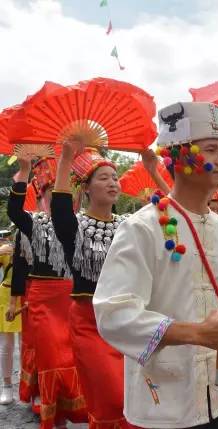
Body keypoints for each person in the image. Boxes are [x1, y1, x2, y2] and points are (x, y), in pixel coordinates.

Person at [93, 101, 218, 429]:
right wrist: (195, 332)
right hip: (162, 404)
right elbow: (114, 314)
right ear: (178, 156)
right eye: (211, 150)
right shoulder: (142, 228)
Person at [8, 155, 88, 427]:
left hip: (70, 298)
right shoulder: (33, 223)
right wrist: (24, 171)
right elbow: (14, 213)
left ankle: (67, 409)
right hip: (41, 298)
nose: (56, 199)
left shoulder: (80, 226)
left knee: (71, 355)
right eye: (50, 193)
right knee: (52, 355)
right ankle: (51, 411)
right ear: (41, 197)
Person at [51, 144, 127, 428]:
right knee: (111, 396)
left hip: (126, 319)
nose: (112, 182)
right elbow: (59, 210)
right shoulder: (76, 227)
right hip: (88, 322)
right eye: (103, 177)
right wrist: (67, 158)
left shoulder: (129, 226)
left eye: (115, 177)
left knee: (133, 396)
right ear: (86, 187)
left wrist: (155, 171)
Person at [0, 238, 23, 405]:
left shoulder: (33, 247)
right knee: (6, 344)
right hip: (6, 297)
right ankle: (6, 385)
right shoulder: (6, 250)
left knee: (25, 343)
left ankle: (26, 382)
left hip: (26, 296)